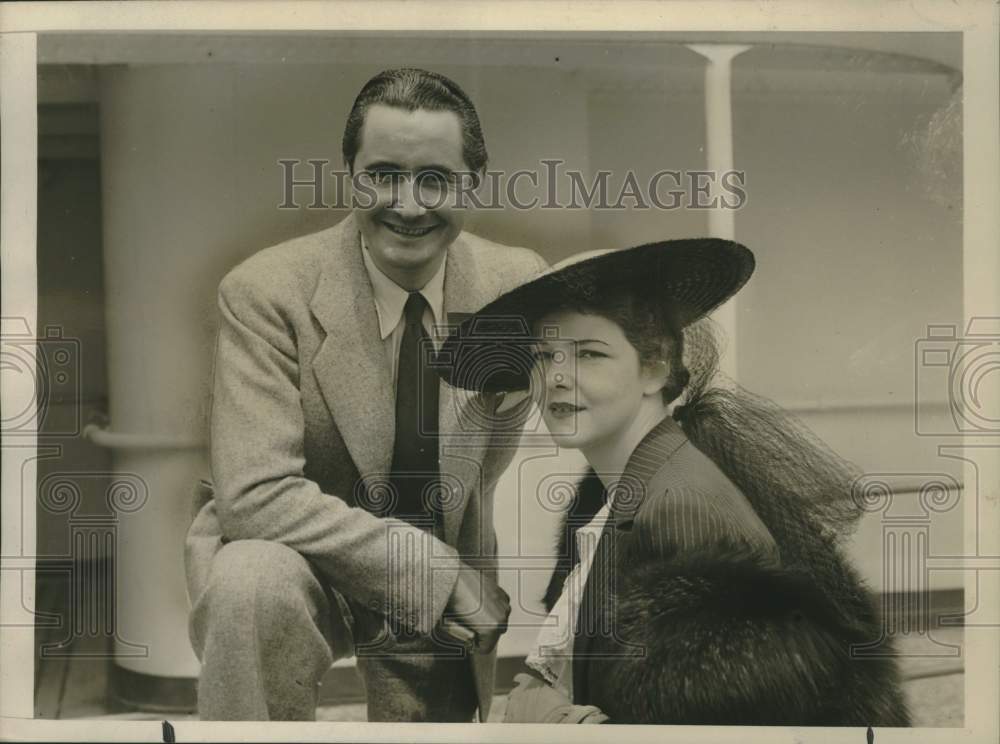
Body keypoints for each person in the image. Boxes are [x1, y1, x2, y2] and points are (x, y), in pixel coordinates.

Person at [184, 68, 547, 722]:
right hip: (304, 555)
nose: (407, 205)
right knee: (250, 583)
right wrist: (432, 576)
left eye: (435, 178)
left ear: (475, 184)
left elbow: (611, 381)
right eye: (382, 174)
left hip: (442, 538)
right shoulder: (265, 291)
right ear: (348, 174)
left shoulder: (514, 287)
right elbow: (254, 495)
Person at [437, 239, 911, 725]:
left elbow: (708, 726)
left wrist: (552, 724)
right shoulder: (633, 486)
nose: (556, 377)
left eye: (589, 354)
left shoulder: (679, 504)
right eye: (543, 356)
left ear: (655, 368)